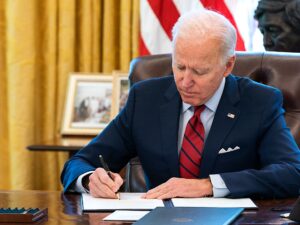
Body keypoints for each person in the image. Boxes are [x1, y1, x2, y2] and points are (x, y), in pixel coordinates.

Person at [61, 9, 300, 199]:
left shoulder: (259, 102)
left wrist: (209, 185)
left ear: (228, 65)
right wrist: (90, 178)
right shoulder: (145, 99)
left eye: (199, 71)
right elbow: (79, 162)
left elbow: (293, 173)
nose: (185, 81)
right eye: (180, 66)